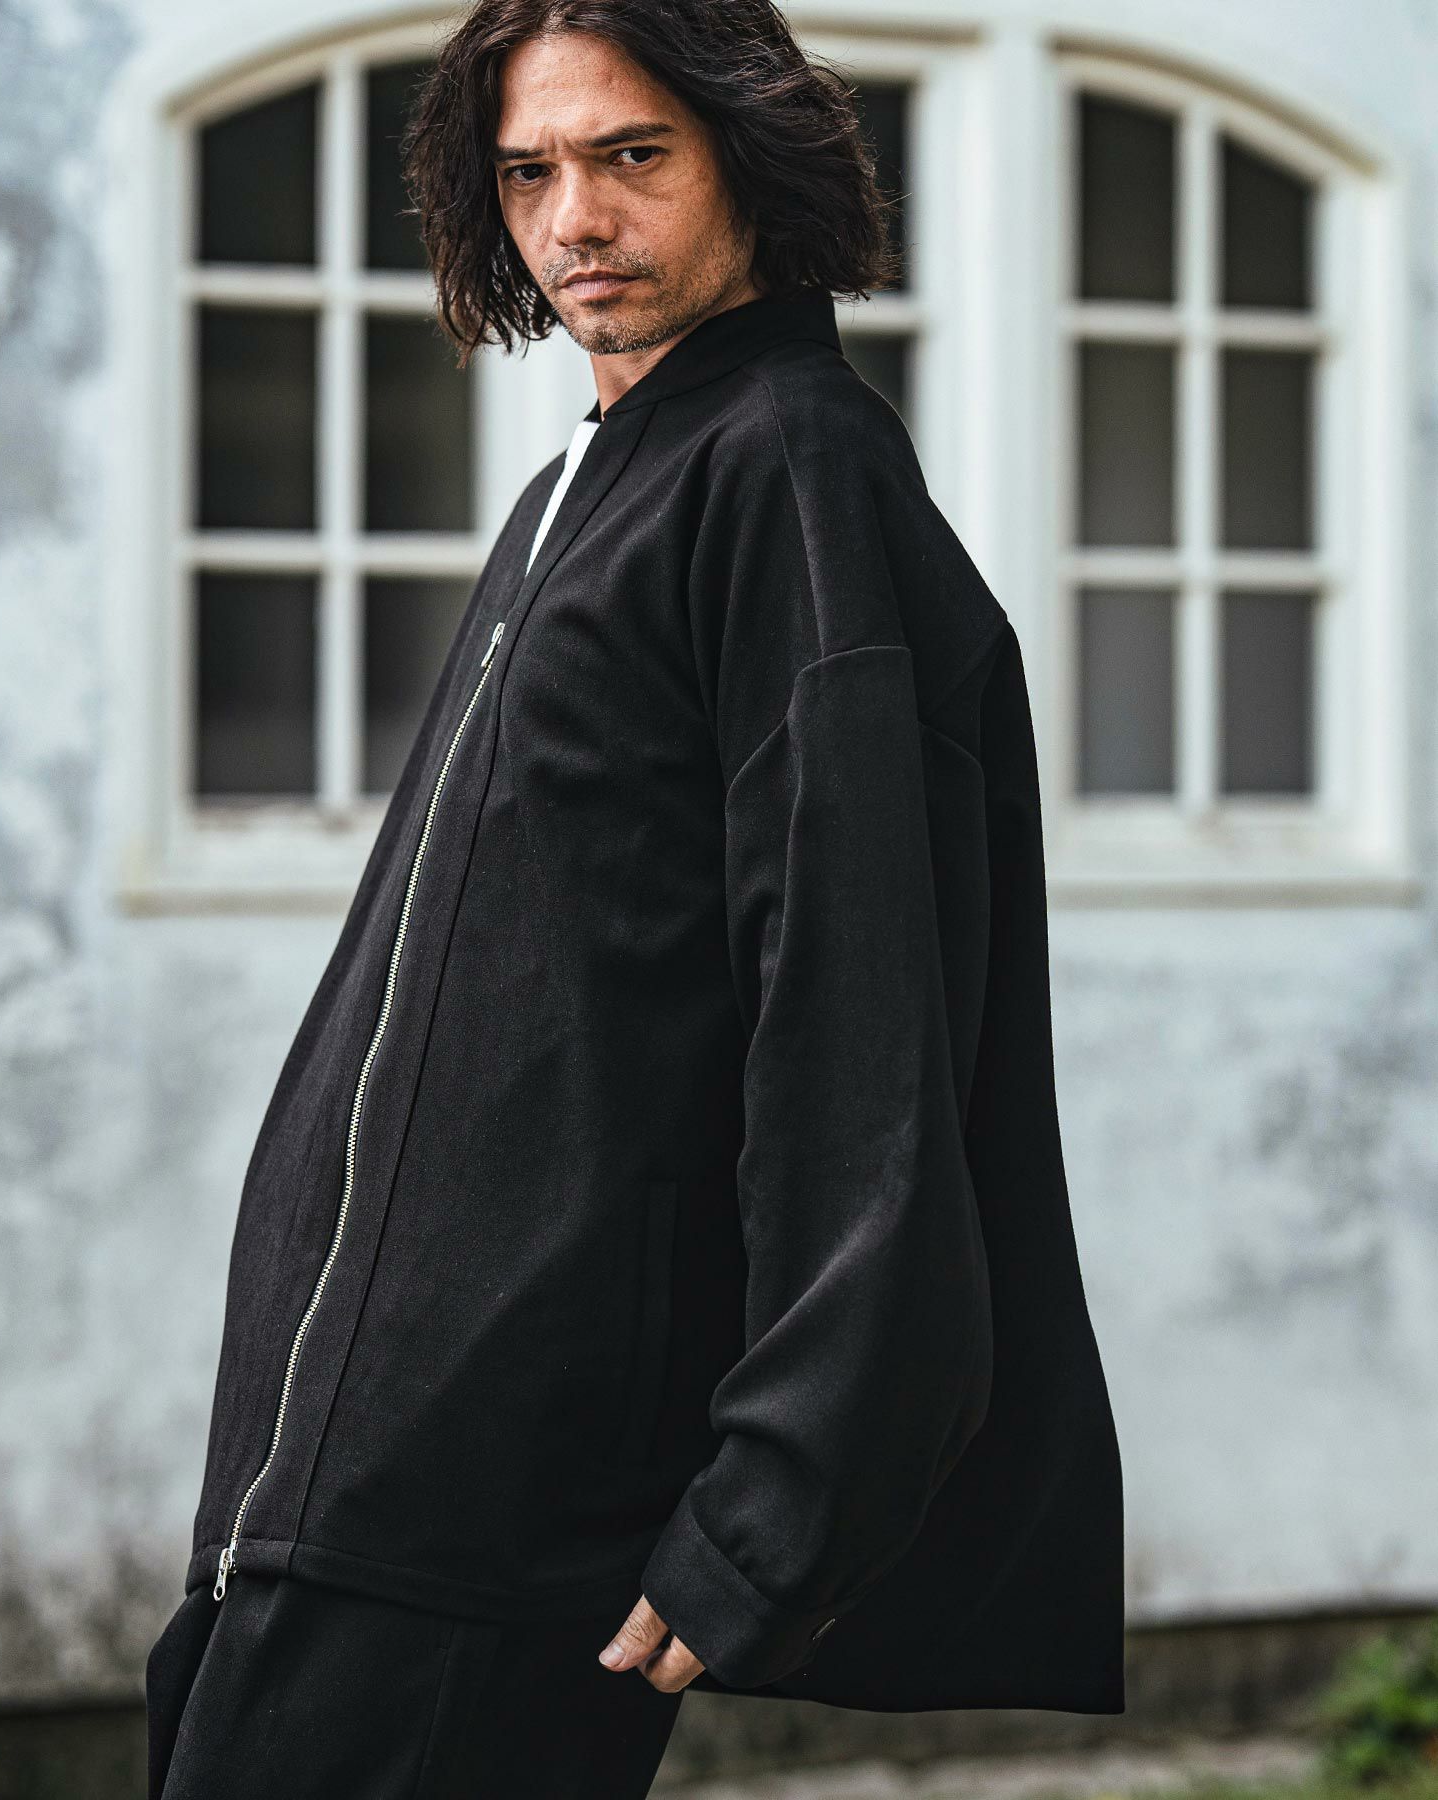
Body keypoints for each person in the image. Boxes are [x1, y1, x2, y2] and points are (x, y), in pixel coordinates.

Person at [144, 0, 1125, 1794]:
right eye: (529, 173)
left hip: (502, 1492)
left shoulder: (792, 467)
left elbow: (859, 1007)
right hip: (339, 1467)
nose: (575, 218)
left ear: (751, 154)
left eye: (631, 156)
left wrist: (781, 1488)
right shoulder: (580, 487)